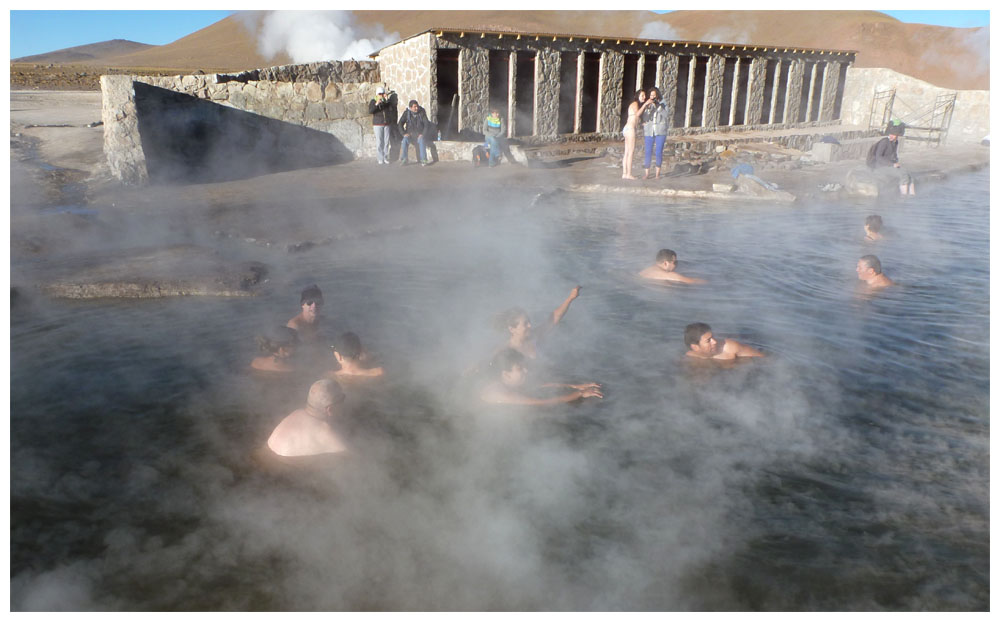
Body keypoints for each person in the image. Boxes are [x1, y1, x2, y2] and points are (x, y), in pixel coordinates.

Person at [480, 348, 603, 405]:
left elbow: (540, 386)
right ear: (506, 374)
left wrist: (576, 386)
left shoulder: (510, 382)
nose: (526, 370)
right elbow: (541, 402)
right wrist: (580, 394)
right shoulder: (499, 393)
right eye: (520, 369)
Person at [267, 379, 348, 457]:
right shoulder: (326, 432)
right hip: (287, 464)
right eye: (342, 398)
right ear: (330, 409)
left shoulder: (296, 413)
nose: (345, 402)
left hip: (268, 454)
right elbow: (349, 457)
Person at [496, 286, 582, 359]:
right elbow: (492, 367)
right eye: (525, 323)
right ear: (512, 329)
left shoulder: (534, 336)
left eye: (529, 322)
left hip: (546, 373)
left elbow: (554, 318)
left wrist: (570, 298)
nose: (530, 325)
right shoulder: (507, 351)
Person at [867, 121, 915, 196]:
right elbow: (878, 157)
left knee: (909, 175)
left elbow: (894, 155)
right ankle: (904, 198)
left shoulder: (895, 142)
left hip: (890, 166)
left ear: (897, 135)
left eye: (894, 134)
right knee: (903, 176)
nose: (892, 136)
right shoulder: (884, 142)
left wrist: (896, 162)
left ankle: (912, 195)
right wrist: (892, 164)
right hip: (880, 167)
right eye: (891, 134)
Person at [684, 322, 764, 360]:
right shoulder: (691, 357)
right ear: (695, 347)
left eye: (712, 337)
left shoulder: (730, 347)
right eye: (708, 340)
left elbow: (761, 357)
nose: (714, 341)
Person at [641, 87, 670, 180]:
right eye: (651, 95)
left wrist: (658, 106)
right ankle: (647, 174)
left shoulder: (663, 103)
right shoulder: (647, 104)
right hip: (649, 131)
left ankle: (657, 174)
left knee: (658, 152)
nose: (652, 97)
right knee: (648, 151)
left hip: (660, 131)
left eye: (654, 95)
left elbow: (666, 115)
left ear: (657, 95)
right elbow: (643, 115)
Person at [622, 89, 651, 180]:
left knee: (627, 152)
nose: (644, 97)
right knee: (630, 152)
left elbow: (637, 118)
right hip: (630, 129)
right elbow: (637, 114)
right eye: (642, 96)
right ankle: (629, 174)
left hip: (627, 128)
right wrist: (645, 105)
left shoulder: (636, 105)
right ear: (637, 96)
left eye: (644, 96)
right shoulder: (635, 104)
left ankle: (624, 173)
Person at [638, 249, 706, 284]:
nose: (676, 265)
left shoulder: (645, 271)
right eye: (675, 262)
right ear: (665, 263)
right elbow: (692, 281)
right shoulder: (668, 275)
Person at [369, 85, 397, 165]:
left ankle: (385, 157)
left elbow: (391, 110)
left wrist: (387, 101)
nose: (381, 95)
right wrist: (377, 104)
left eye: (382, 94)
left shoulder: (386, 102)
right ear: (377, 94)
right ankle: (380, 158)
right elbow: (371, 111)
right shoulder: (373, 101)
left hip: (386, 123)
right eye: (380, 94)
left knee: (386, 141)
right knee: (379, 141)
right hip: (378, 124)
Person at [398, 99, 430, 166]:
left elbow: (426, 125)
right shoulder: (406, 113)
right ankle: (404, 159)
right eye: (414, 107)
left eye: (417, 106)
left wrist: (423, 134)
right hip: (410, 135)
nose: (416, 108)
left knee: (421, 140)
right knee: (404, 140)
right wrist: (403, 133)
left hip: (419, 135)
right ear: (410, 108)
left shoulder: (422, 113)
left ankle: (423, 159)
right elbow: (400, 123)